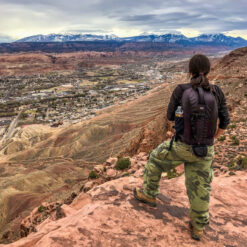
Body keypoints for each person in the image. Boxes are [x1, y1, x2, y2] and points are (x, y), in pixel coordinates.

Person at [133, 54, 230, 241]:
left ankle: (149, 194)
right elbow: (225, 121)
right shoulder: (217, 92)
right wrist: (213, 138)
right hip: (205, 150)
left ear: (190, 71)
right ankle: (198, 226)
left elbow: (170, 116)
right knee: (200, 186)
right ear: (209, 70)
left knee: (155, 158)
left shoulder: (181, 89)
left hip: (181, 146)